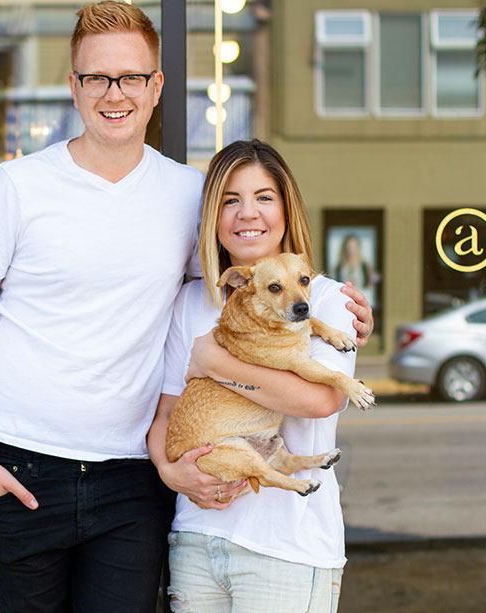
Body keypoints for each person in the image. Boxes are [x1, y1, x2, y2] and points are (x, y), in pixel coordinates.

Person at [0, 3, 373, 611]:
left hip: (131, 477)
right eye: (97, 77)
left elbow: (250, 289)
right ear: (74, 86)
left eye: (132, 77)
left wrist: (332, 316)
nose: (115, 94)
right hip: (21, 467)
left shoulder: (190, 196)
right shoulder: (17, 188)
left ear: (157, 85)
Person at [148, 140, 360, 613]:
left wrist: (214, 364)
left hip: (288, 548)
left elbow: (319, 400)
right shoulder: (190, 302)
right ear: (212, 217)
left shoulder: (325, 300)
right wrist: (170, 471)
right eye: (230, 200)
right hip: (196, 540)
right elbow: (164, 415)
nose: (248, 214)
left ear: (287, 210)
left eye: (264, 197)